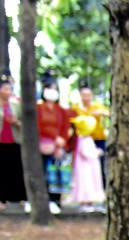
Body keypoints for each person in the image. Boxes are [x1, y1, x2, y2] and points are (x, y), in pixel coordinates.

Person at [0, 76, 27, 207]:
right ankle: (0, 197)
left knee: (15, 170)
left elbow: (24, 123)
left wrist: (16, 122)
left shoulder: (16, 106)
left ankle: (17, 197)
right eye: (5, 89)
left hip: (14, 141)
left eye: (10, 89)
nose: (8, 91)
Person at [36, 74, 73, 213]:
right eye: (49, 88)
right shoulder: (38, 109)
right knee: (43, 172)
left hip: (57, 146)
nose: (52, 91)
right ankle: (41, 199)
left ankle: (55, 200)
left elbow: (65, 127)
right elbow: (39, 126)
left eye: (54, 88)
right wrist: (52, 137)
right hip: (42, 144)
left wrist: (60, 142)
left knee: (57, 173)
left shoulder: (61, 111)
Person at [68, 114, 105, 211]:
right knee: (87, 182)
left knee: (89, 182)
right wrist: (97, 152)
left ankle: (89, 202)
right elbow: (86, 152)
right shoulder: (85, 140)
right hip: (86, 167)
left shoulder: (82, 139)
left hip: (88, 165)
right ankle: (85, 202)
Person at [75, 84, 109, 184]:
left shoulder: (97, 106)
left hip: (98, 140)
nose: (86, 98)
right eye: (84, 95)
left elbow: (109, 114)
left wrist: (101, 113)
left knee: (100, 165)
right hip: (83, 141)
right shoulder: (76, 108)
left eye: (88, 95)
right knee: (84, 166)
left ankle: (101, 188)